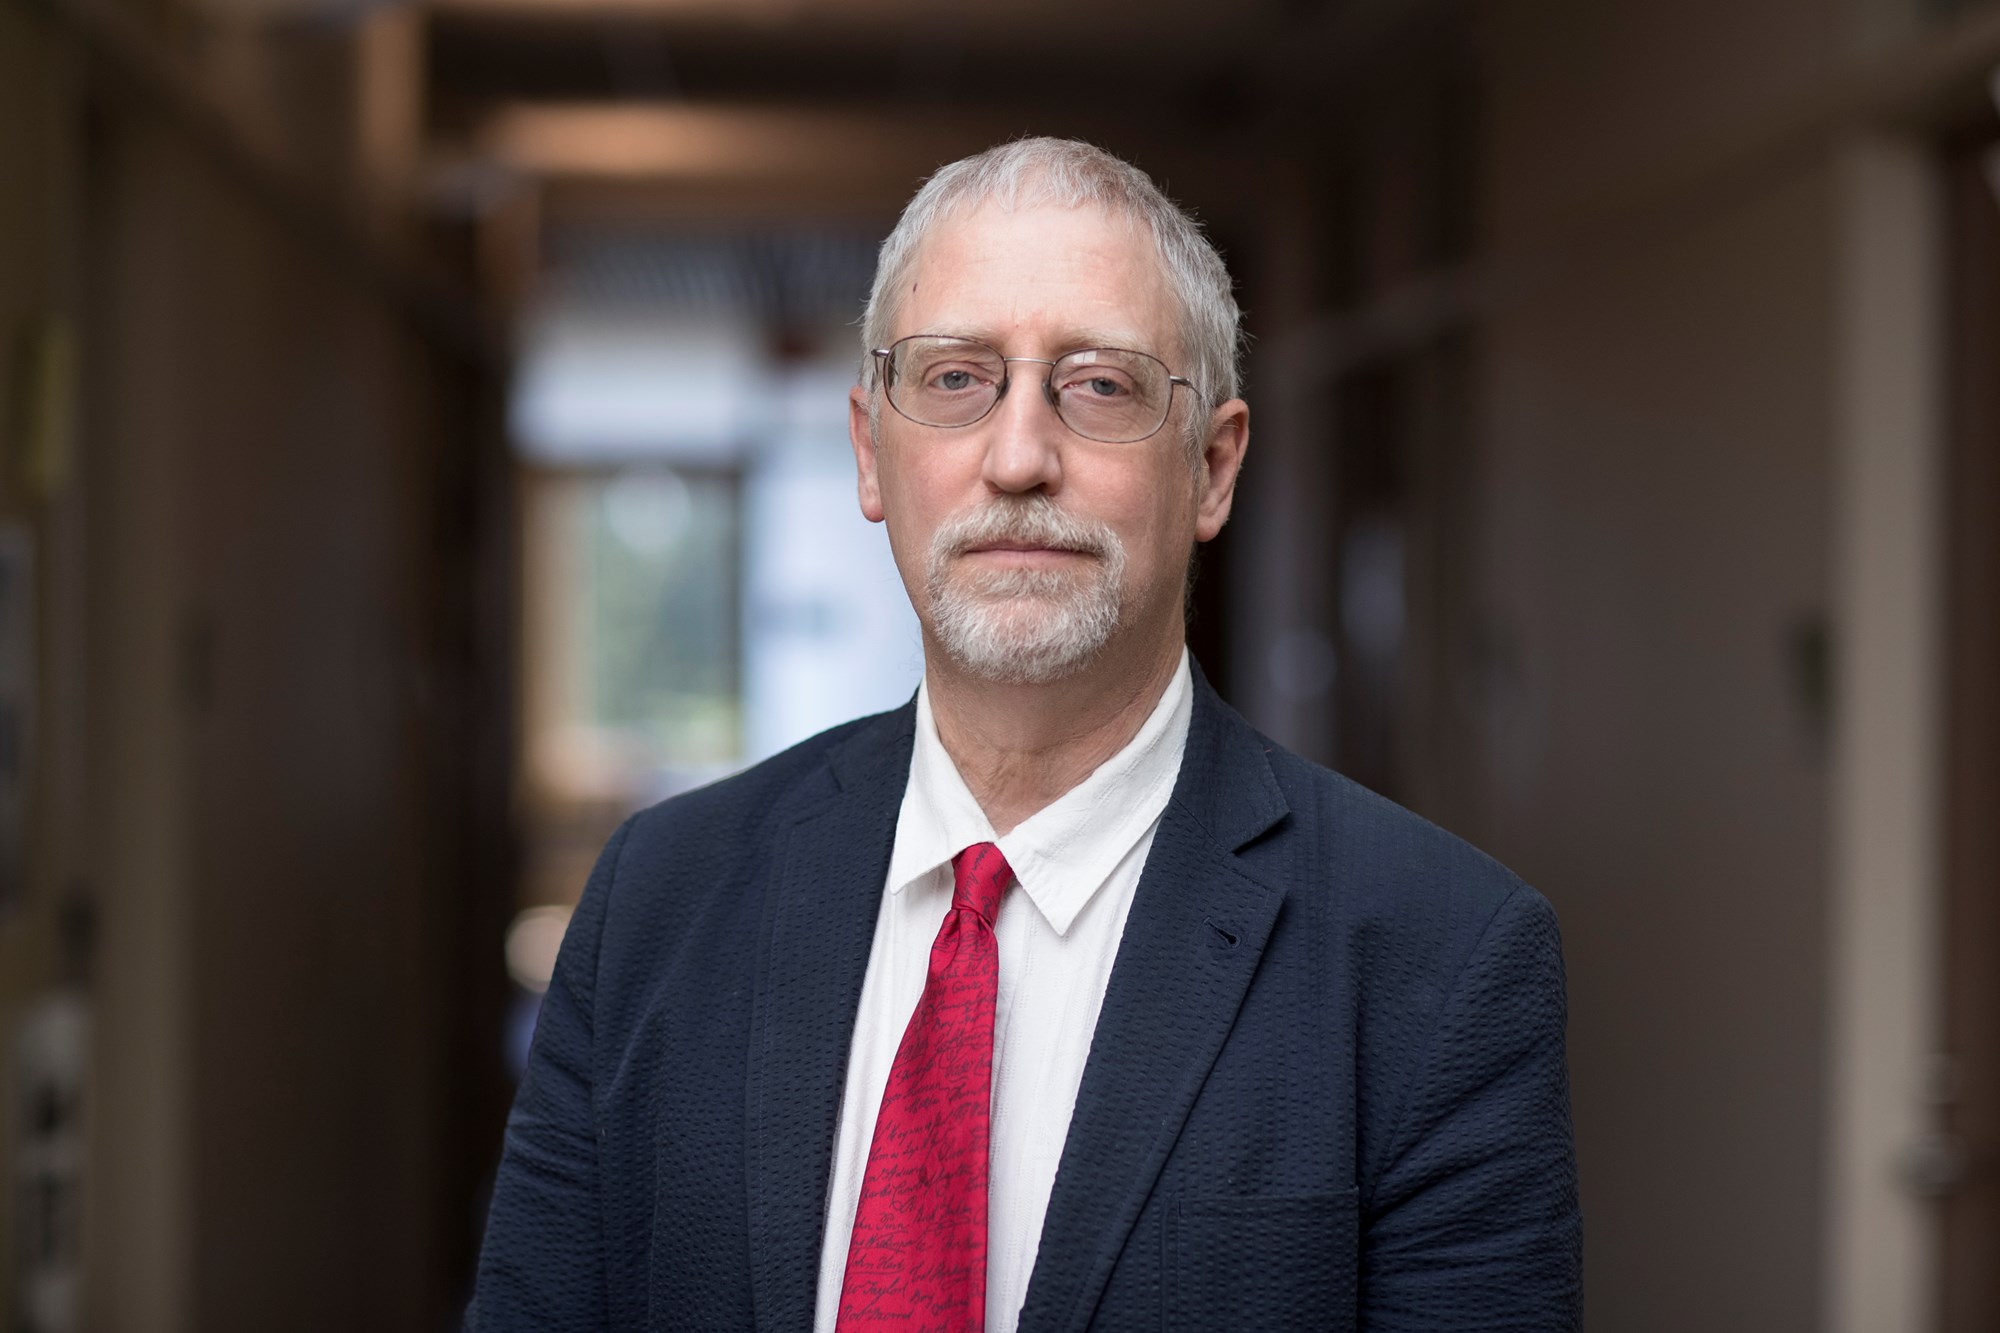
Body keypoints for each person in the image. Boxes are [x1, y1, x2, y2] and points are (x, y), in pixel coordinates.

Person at [467, 137, 1581, 1332]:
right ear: (868, 452)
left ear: (1210, 469)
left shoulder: (1440, 957)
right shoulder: (655, 903)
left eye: (1100, 385)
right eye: (953, 379)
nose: (1017, 458)